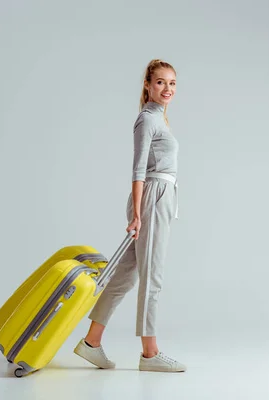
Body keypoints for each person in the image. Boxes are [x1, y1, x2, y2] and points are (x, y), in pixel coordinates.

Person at [73, 59, 186, 373]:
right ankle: (150, 353)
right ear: (148, 85)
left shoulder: (159, 120)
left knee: (125, 276)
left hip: (159, 198)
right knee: (153, 276)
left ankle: (91, 342)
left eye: (173, 83)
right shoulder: (147, 120)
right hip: (151, 199)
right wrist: (137, 214)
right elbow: (138, 171)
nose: (167, 89)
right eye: (161, 82)